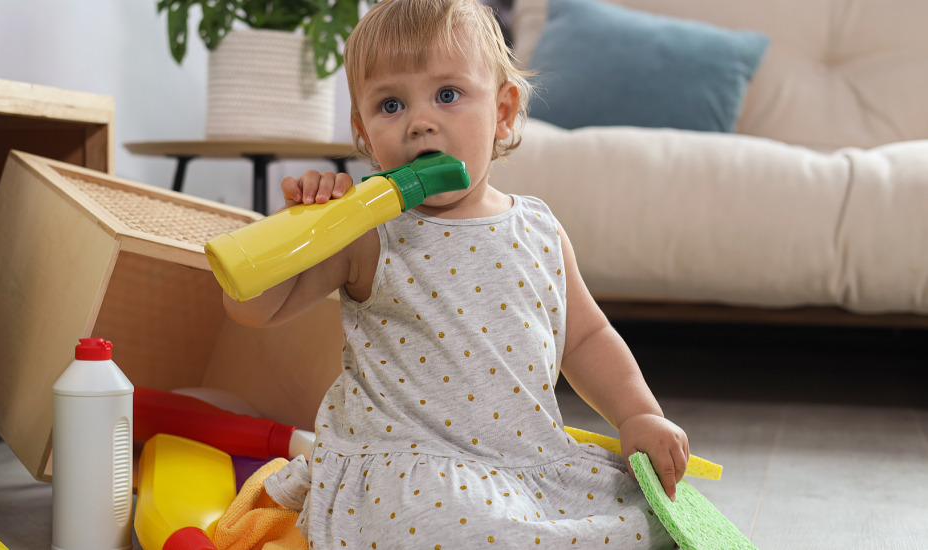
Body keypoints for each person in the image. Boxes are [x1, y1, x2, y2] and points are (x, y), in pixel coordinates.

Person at [222, 0, 688, 547]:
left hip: (522, 461)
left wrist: (638, 415)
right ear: (364, 133)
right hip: (409, 473)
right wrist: (304, 224)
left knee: (654, 521)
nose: (421, 121)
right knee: (446, 526)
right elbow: (253, 307)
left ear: (504, 111)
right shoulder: (367, 234)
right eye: (391, 104)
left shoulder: (538, 228)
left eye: (448, 95)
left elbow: (585, 337)